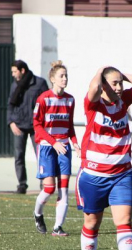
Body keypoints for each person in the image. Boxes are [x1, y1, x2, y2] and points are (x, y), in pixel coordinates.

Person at [76, 66, 132, 250]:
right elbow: (93, 89)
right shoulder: (93, 104)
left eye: (121, 84)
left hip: (122, 175)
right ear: (103, 85)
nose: (119, 87)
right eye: (114, 84)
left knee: (124, 223)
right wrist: (101, 70)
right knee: (92, 224)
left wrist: (121, 75)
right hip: (94, 176)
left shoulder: (123, 101)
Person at [32, 60, 80, 236]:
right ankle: (38, 214)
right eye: (61, 76)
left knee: (64, 190)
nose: (65, 79)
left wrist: (74, 142)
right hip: (47, 147)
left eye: (66, 76)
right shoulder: (43, 99)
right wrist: (54, 142)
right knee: (49, 189)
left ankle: (57, 228)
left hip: (64, 148)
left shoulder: (70, 100)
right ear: (52, 78)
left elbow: (70, 126)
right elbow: (37, 126)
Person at [7, 60, 48, 194]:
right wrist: (11, 123)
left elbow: (48, 103)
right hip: (19, 125)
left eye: (15, 71)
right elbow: (10, 105)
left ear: (22, 70)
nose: (13, 74)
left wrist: (43, 124)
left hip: (36, 127)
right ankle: (22, 184)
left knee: (41, 155)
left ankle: (44, 183)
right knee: (19, 156)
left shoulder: (40, 83)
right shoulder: (15, 85)